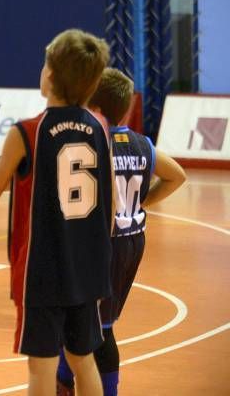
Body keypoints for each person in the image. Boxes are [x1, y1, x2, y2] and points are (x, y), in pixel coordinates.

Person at [0, 29, 112, 396]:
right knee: (84, 359)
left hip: (43, 271)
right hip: (87, 267)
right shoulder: (99, 127)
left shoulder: (27, 132)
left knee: (42, 368)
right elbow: (109, 199)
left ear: (49, 74)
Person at [56, 68, 187, 396]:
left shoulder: (91, 140)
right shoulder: (142, 144)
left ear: (93, 105)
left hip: (101, 244)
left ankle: (68, 385)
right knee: (102, 324)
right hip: (132, 242)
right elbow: (177, 175)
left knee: (79, 325)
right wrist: (143, 201)